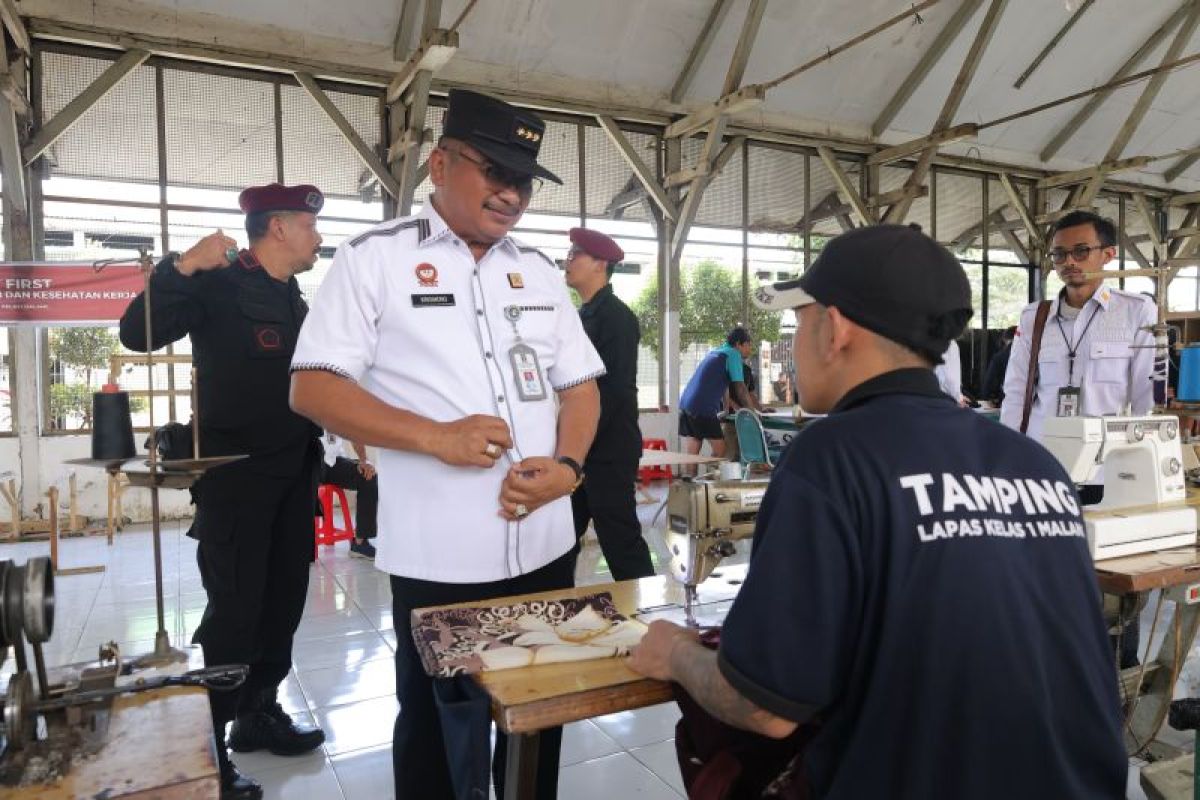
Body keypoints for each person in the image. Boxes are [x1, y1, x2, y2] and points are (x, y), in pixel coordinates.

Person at [629, 224, 1126, 800]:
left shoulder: (830, 457)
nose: (793, 340)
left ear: (835, 328)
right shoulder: (1035, 465)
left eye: (799, 321)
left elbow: (764, 706)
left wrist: (676, 652)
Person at [288, 89, 603, 800]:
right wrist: (435, 436)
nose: (510, 193)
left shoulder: (541, 273)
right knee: (439, 732)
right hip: (442, 557)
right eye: (493, 170)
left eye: (522, 180)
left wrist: (568, 467)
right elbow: (312, 387)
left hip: (547, 543)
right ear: (438, 163)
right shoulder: (376, 260)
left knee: (537, 724)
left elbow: (581, 388)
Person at [119, 183, 328, 800]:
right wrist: (180, 265)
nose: (318, 238)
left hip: (293, 474)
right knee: (235, 610)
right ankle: (206, 745)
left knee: (283, 600)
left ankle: (257, 715)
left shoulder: (292, 297)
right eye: (311, 226)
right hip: (236, 478)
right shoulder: (217, 282)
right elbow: (137, 333)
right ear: (281, 227)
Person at [1000, 209, 1155, 451]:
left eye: (1081, 251)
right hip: (1044, 456)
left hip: (1107, 461)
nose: (1069, 261)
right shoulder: (1034, 317)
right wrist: (1009, 452)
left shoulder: (1136, 311)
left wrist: (1142, 454)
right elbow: (1016, 392)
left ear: (1108, 254)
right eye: (1059, 254)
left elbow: (1145, 395)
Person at [562, 226, 654, 580]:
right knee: (559, 539)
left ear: (600, 264)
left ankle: (651, 620)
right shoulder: (582, 316)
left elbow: (612, 394)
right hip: (580, 450)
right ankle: (554, 614)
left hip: (607, 449)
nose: (568, 261)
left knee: (619, 541)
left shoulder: (615, 318)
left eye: (576, 255)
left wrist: (579, 444)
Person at [679, 327, 763, 457]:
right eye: (747, 345)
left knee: (694, 446)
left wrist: (726, 410)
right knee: (721, 450)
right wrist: (752, 413)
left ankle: (689, 477)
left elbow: (724, 386)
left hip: (686, 403)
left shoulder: (717, 352)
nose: (749, 349)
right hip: (703, 407)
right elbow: (740, 388)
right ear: (738, 344)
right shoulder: (733, 354)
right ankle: (713, 476)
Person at [318, 432, 377, 558]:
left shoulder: (342, 412)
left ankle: (360, 543)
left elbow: (354, 434)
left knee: (368, 477)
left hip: (334, 462)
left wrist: (364, 461)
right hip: (310, 460)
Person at [981, 326, 1016, 405]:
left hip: (1007, 399)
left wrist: (986, 397)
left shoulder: (1000, 357)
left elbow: (989, 381)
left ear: (1005, 339)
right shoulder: (1032, 355)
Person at [934, 338, 965, 404]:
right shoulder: (950, 344)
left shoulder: (921, 340)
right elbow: (951, 380)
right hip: (944, 401)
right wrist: (959, 398)